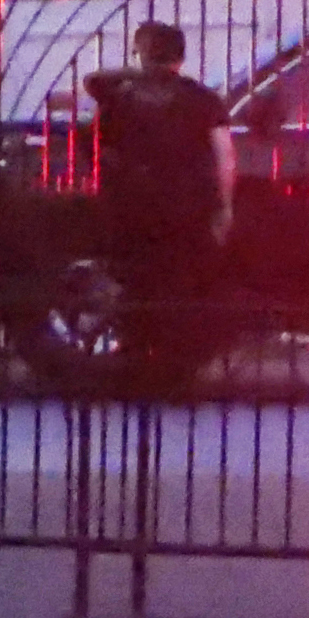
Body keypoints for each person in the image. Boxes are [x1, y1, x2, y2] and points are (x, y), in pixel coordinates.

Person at [79, 21, 237, 388]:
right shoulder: (202, 99)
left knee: (136, 286)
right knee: (180, 287)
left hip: (132, 208)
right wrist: (224, 206)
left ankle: (135, 363)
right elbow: (223, 155)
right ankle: (176, 369)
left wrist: (139, 69)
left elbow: (93, 83)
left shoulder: (121, 97)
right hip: (187, 210)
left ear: (143, 54)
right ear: (181, 56)